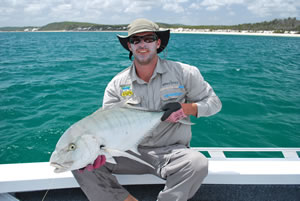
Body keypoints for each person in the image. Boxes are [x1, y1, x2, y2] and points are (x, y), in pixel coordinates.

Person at [72, 18, 222, 201]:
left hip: (171, 152)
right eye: (136, 40)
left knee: (197, 163)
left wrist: (186, 108)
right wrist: (97, 149)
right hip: (129, 152)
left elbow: (214, 103)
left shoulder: (185, 73)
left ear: (158, 43)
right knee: (79, 162)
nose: (142, 44)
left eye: (148, 39)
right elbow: (107, 126)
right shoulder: (116, 85)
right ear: (130, 46)